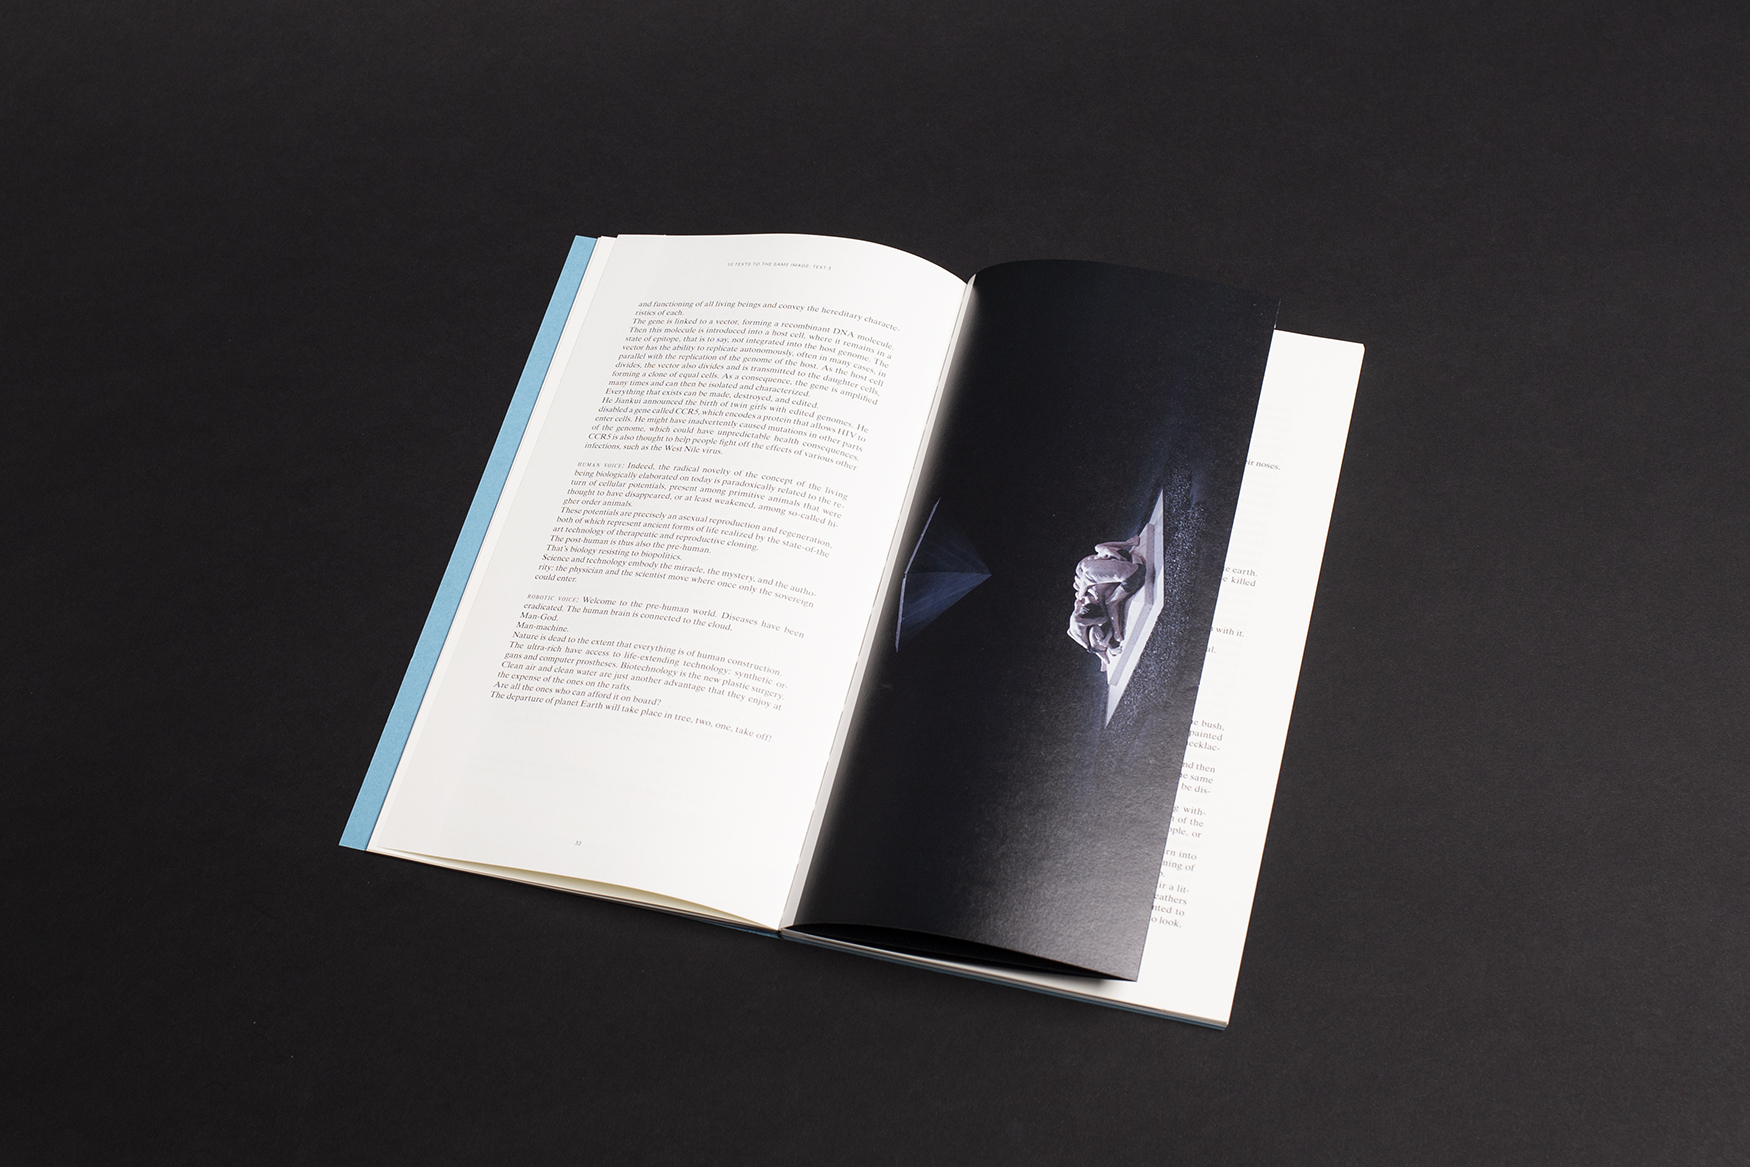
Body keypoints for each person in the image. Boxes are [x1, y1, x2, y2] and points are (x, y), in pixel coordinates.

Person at [1066, 536, 1145, 671]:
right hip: (1131, 564)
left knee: (1110, 603)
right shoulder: (1094, 560)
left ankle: (1115, 638)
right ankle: (1130, 542)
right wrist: (1121, 554)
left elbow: (1101, 611)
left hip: (1135, 573)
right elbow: (1108, 552)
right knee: (1079, 630)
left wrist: (1111, 633)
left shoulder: (1089, 584)